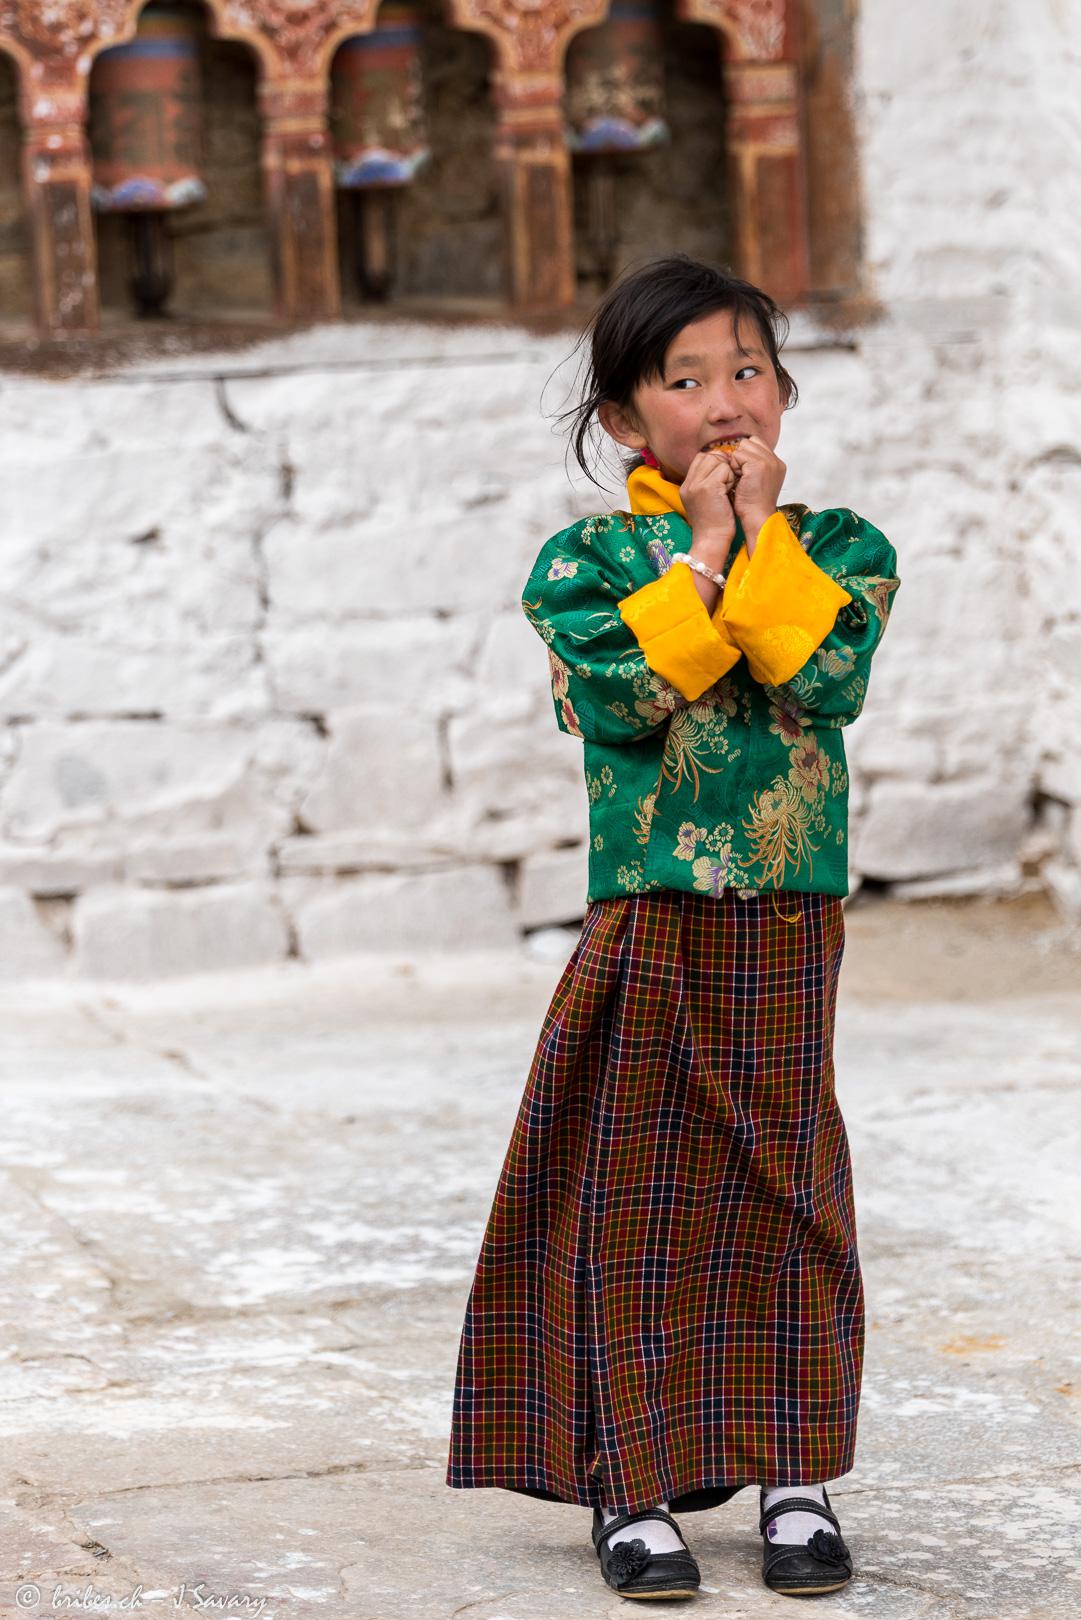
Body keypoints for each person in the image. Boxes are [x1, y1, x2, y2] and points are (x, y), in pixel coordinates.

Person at [445, 253, 900, 1601]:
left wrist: (757, 543)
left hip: (788, 915)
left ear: (785, 393)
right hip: (648, 911)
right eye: (685, 379)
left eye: (747, 370)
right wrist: (702, 553)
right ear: (624, 419)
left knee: (789, 1189)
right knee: (632, 1193)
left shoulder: (841, 550)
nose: (723, 401)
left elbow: (822, 673)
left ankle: (795, 1478)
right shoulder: (584, 563)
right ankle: (628, 1487)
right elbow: (621, 697)